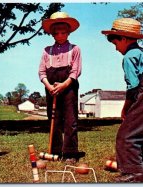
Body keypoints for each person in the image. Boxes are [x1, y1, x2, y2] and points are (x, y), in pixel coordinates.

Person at [101, 18, 143, 182]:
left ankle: (133, 173)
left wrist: (126, 109)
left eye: (115, 43)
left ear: (123, 39)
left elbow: (133, 87)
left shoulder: (129, 57)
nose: (116, 49)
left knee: (127, 135)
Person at [38, 12, 83, 164]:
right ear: (52, 34)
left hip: (69, 87)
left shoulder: (75, 49)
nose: (60, 35)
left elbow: (75, 71)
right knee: (54, 119)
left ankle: (70, 152)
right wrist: (49, 86)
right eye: (57, 33)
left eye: (64, 32)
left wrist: (63, 85)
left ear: (69, 32)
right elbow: (42, 72)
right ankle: (55, 150)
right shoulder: (46, 50)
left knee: (70, 119)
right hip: (51, 88)